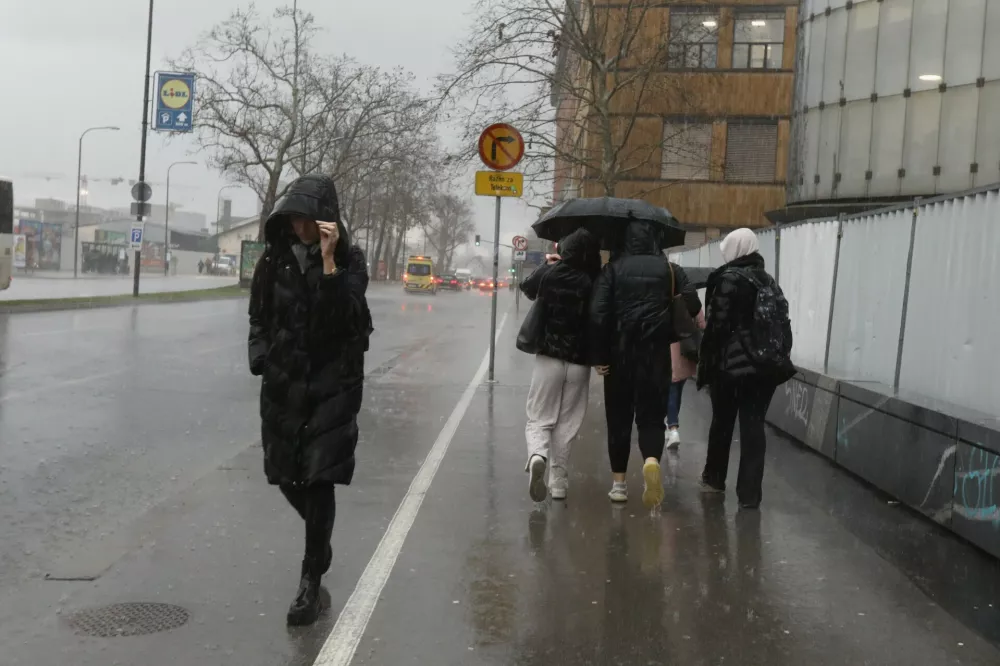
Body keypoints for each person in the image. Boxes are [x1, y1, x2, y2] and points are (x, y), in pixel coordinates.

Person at [248, 174, 373, 626]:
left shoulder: (350, 261)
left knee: (319, 477)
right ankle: (321, 542)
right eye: (294, 219)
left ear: (325, 221)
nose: (299, 228)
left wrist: (328, 262)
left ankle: (310, 581)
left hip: (332, 384)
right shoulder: (273, 260)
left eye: (307, 220)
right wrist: (260, 356)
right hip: (284, 385)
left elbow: (347, 317)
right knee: (285, 476)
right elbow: (259, 315)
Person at [590, 222, 700, 508]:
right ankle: (651, 461)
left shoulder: (611, 270)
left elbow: (598, 314)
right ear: (655, 240)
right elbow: (693, 303)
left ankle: (619, 485)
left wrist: (600, 356)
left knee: (619, 420)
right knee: (651, 418)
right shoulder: (670, 270)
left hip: (618, 357)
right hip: (656, 356)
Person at [698, 228, 793, 509]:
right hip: (763, 369)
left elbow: (717, 327)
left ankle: (714, 480)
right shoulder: (768, 280)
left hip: (730, 369)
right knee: (753, 429)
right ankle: (750, 495)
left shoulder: (728, 279)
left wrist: (708, 365)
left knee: (722, 424)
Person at [519, 229, 601, 502]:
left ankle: (537, 455)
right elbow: (599, 320)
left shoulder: (551, 273)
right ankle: (559, 483)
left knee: (539, 417)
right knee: (567, 424)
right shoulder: (594, 281)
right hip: (579, 362)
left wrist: (549, 264)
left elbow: (527, 288)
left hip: (548, 359)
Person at [666, 306, 706, 449]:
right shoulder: (688, 298)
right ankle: (671, 426)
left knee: (671, 389)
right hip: (686, 350)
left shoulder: (663, 297)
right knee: (677, 390)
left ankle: (672, 428)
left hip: (668, 352)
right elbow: (702, 322)